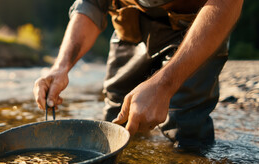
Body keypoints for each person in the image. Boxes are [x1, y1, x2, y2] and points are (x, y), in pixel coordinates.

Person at [33, 0, 243, 150]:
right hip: (131, 24)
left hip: (196, 29)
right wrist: (60, 67)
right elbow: (92, 4)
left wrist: (164, 85)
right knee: (115, 126)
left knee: (187, 132)